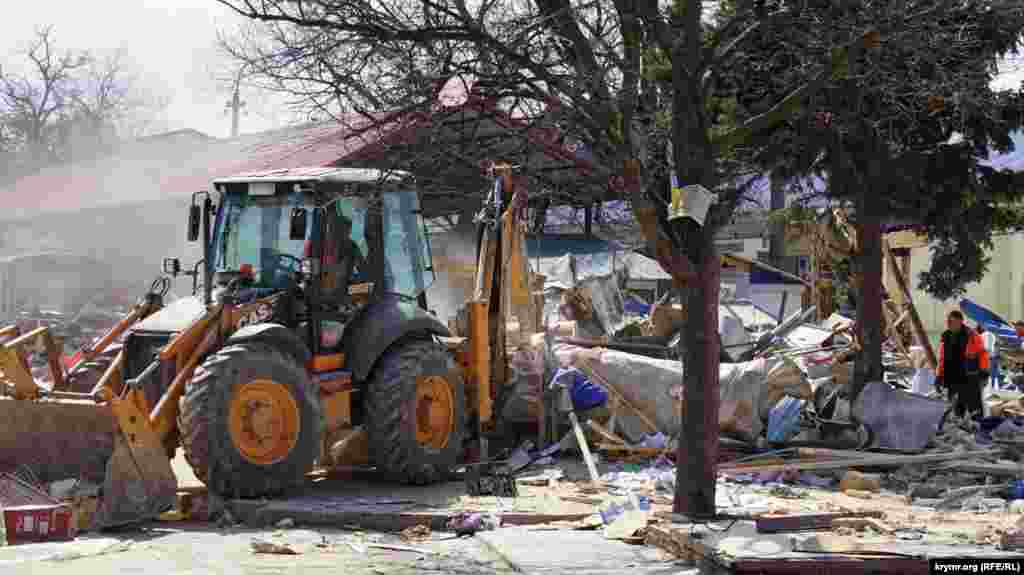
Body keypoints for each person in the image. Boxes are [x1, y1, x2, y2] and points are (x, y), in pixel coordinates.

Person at [935, 310, 990, 418]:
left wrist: (984, 371)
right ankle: (959, 431)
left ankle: (979, 430)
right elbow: (942, 358)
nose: (948, 323)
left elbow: (982, 353)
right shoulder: (945, 336)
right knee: (956, 410)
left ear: (960, 321)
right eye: (947, 321)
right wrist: (938, 376)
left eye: (951, 321)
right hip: (952, 378)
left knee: (974, 409)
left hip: (970, 378)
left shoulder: (971, 335)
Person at [977, 324, 999, 390]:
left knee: (982, 381)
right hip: (986, 363)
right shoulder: (990, 336)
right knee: (985, 380)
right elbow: (991, 351)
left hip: (982, 364)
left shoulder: (981, 336)